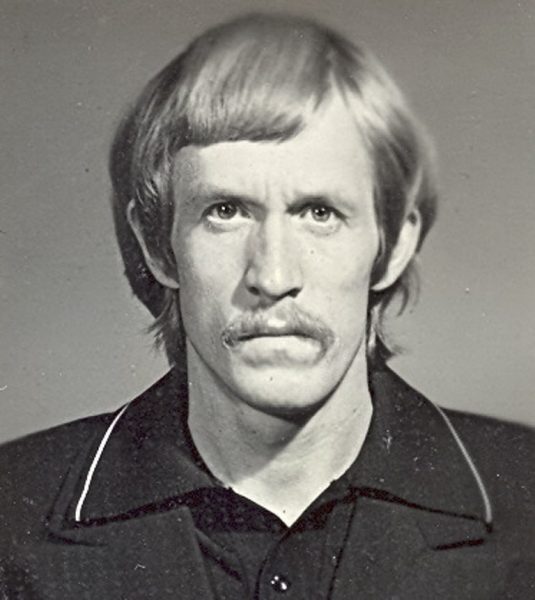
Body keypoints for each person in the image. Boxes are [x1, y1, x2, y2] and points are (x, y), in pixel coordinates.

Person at [1, 13, 533, 600]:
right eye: (225, 212)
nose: (273, 276)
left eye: (319, 213)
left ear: (394, 245)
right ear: (157, 246)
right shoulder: (11, 512)